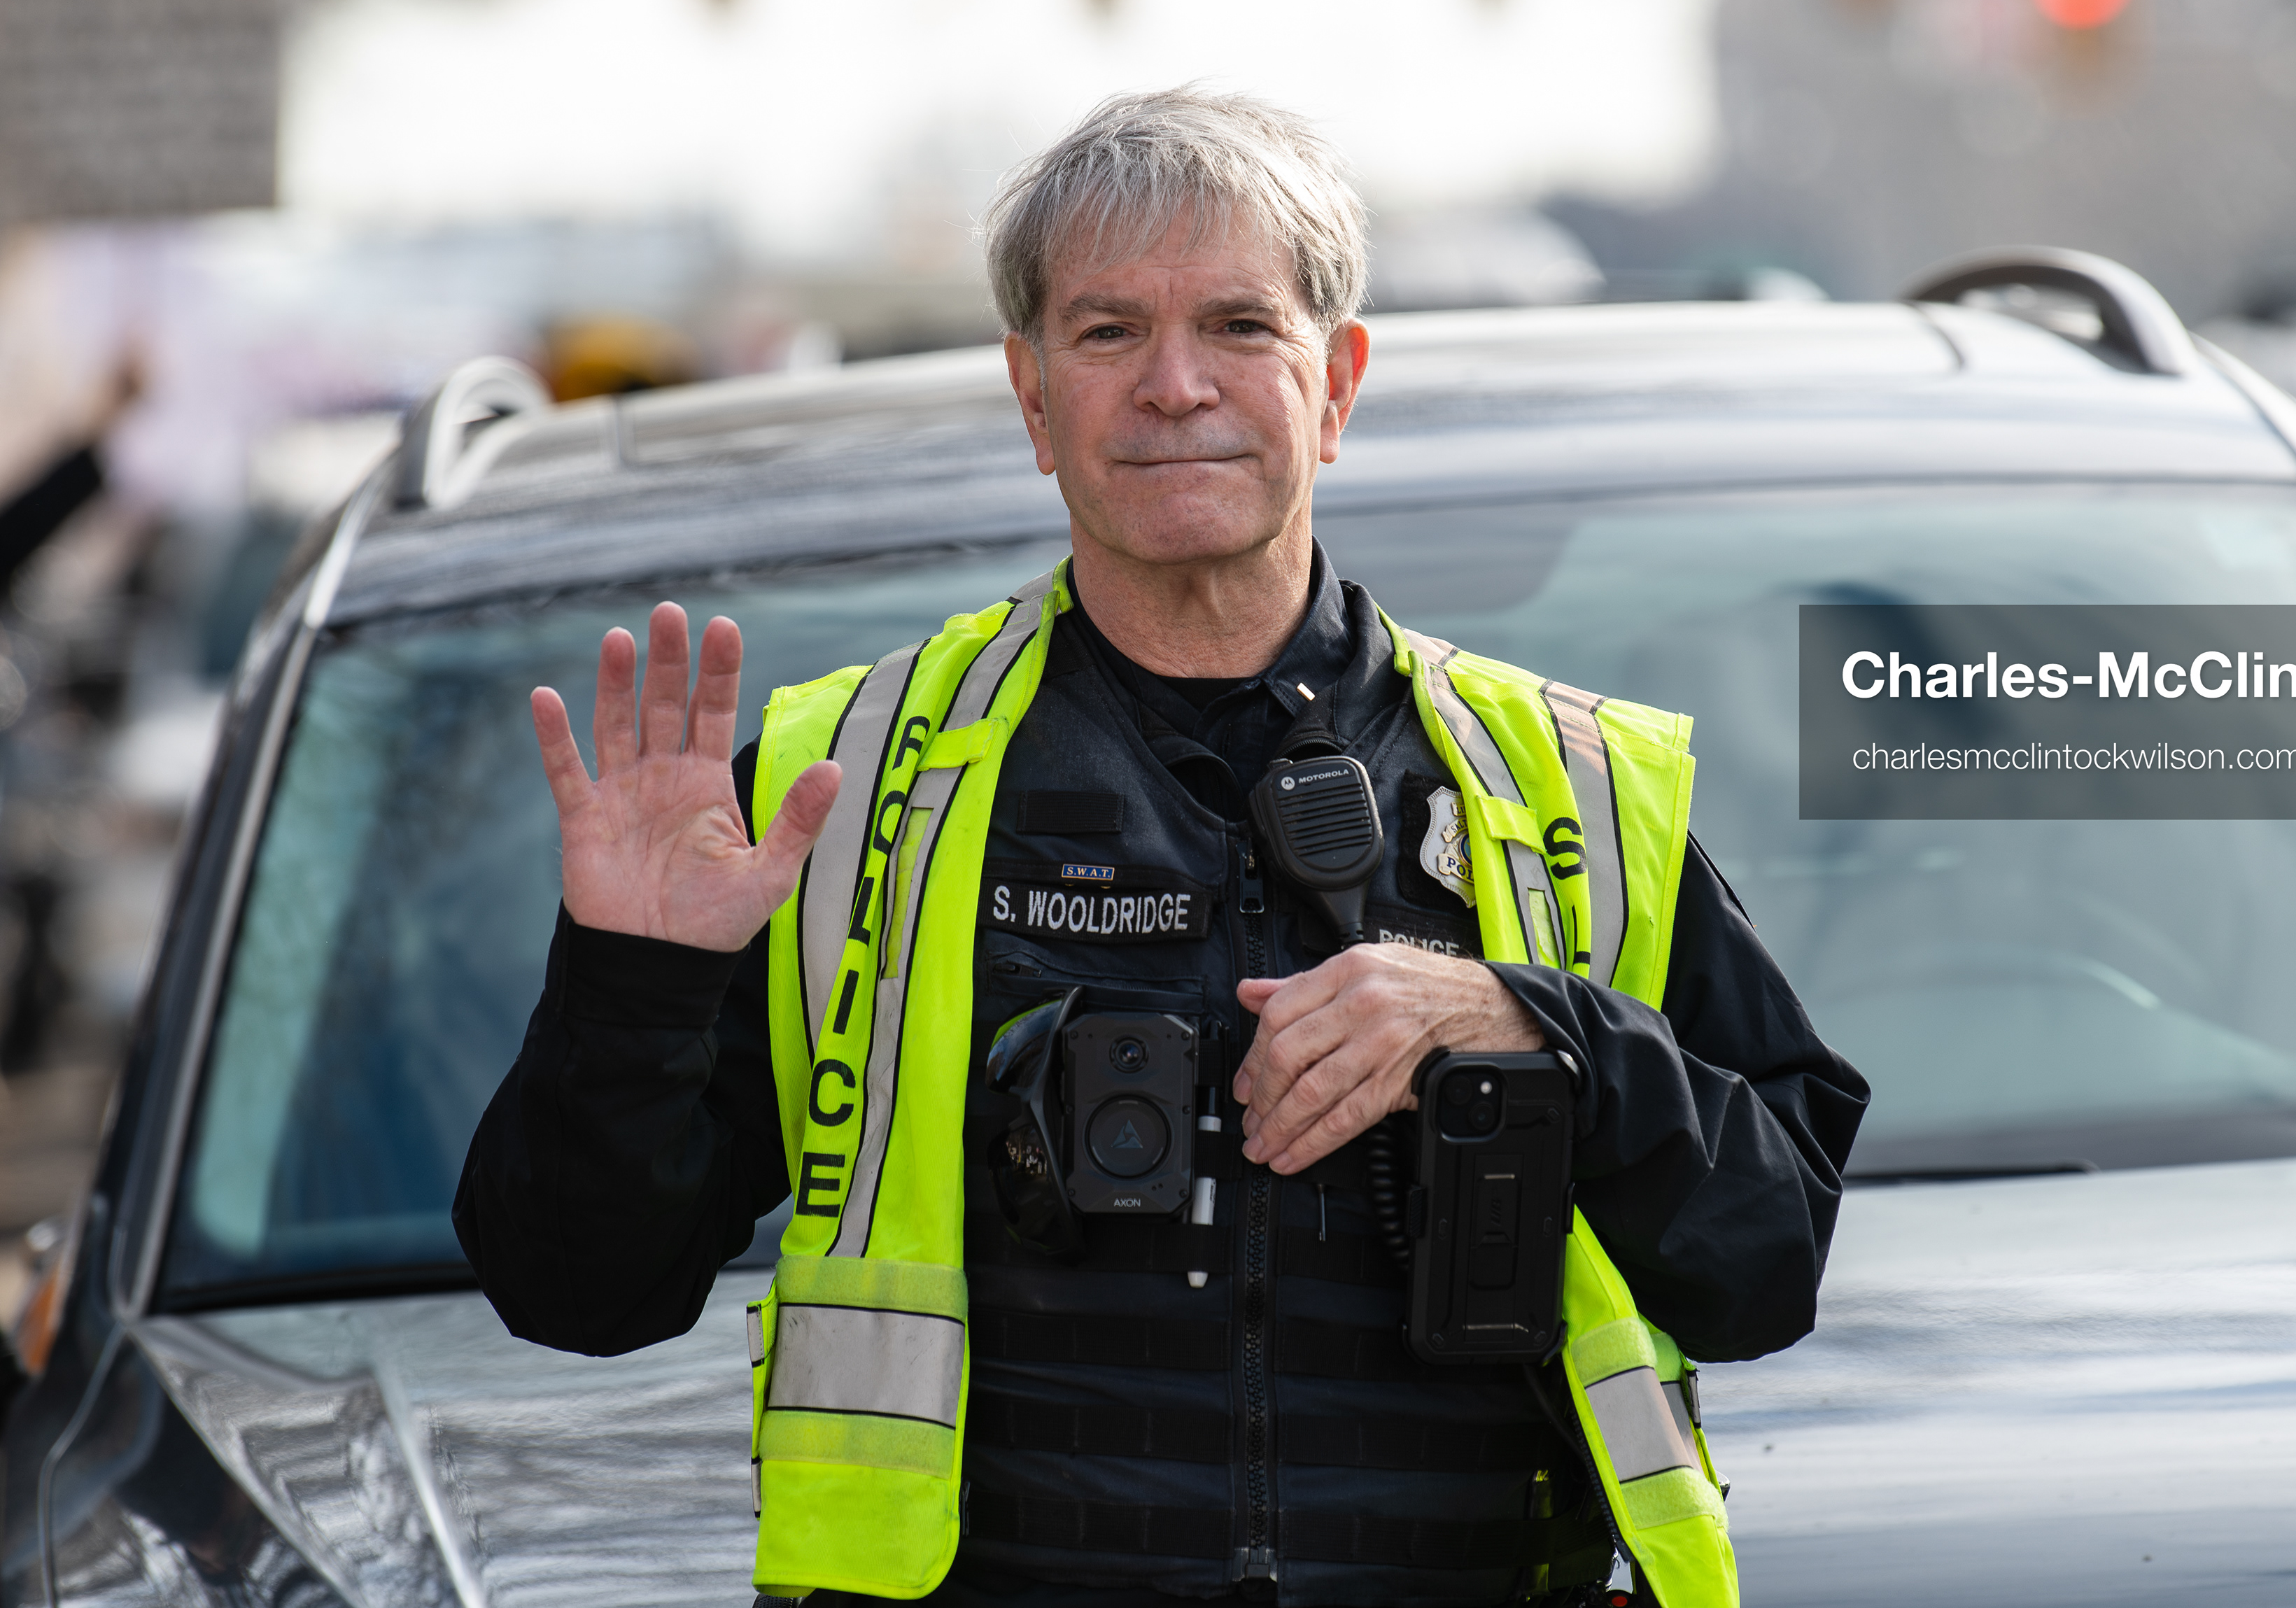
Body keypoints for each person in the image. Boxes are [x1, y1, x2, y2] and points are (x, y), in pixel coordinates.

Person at [456, 89, 1867, 1608]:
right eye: (1109, 330)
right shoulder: (839, 791)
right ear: (1031, 393)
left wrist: (1537, 1029)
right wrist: (635, 984)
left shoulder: (1568, 791)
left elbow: (1763, 1262)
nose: (1175, 384)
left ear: (1336, 382)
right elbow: (578, 1292)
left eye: (1241, 326)